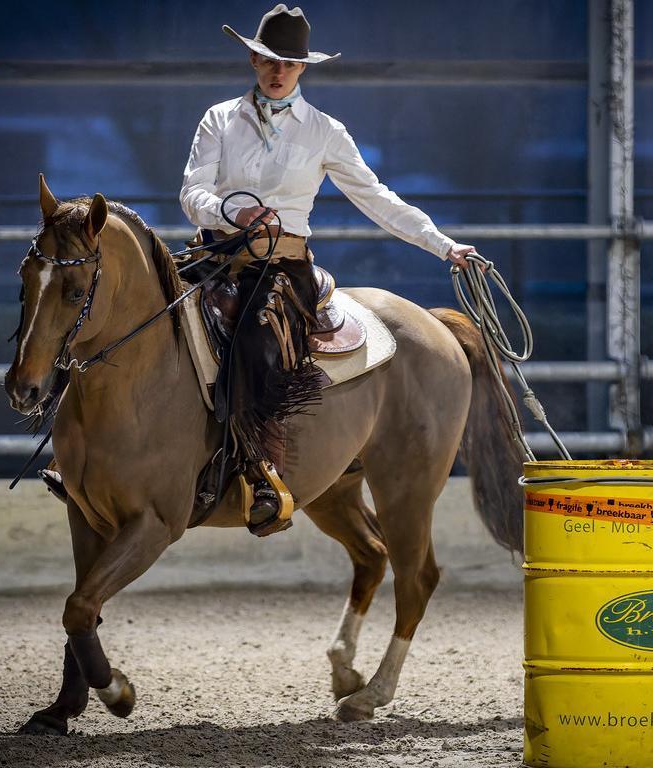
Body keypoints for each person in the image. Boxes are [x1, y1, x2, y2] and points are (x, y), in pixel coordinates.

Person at [179, 3, 480, 535]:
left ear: (303, 69)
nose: (278, 71)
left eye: (290, 63)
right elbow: (192, 191)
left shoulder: (324, 131)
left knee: (256, 339)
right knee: (126, 310)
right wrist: (233, 211)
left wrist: (442, 245)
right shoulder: (219, 119)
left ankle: (263, 470)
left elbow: (377, 198)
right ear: (252, 58)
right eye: (270, 60)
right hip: (213, 254)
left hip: (279, 267)